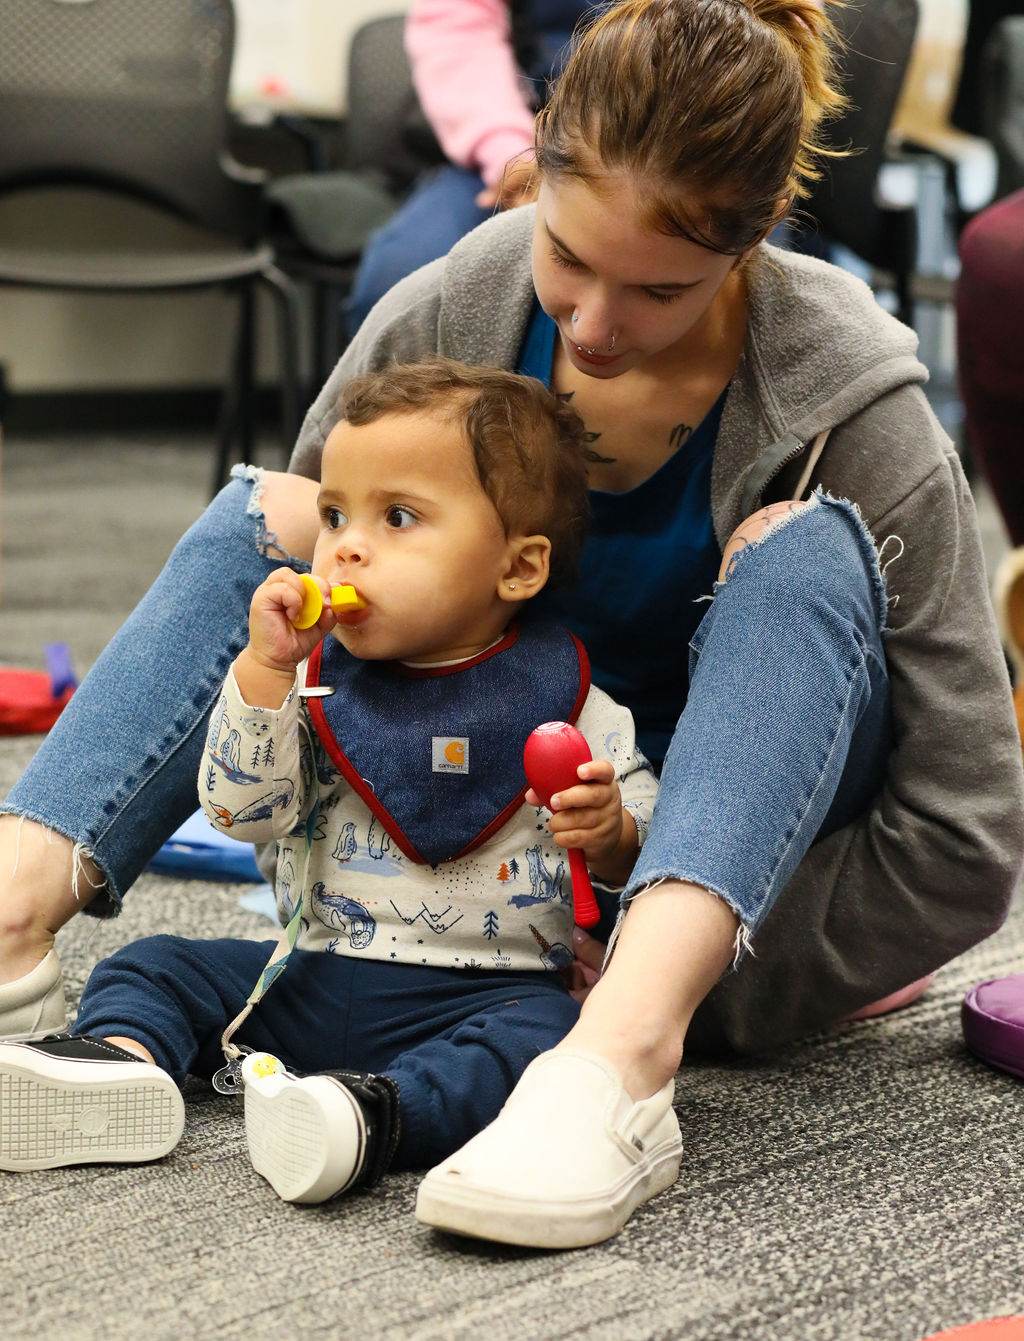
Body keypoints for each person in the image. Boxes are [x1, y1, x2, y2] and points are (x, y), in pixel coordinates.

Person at [1, 0, 1021, 1248]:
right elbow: (321, 604)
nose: (592, 329)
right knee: (283, 509)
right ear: (535, 165)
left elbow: (965, 835)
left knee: (803, 551)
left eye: (658, 290)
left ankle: (617, 1069)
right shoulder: (458, 307)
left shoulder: (849, 399)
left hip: (695, 907)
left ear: (753, 243)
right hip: (454, 902)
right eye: (568, 260)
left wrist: (705, 979)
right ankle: (16, 900)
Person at [0, 359, 658, 1201]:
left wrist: (611, 828)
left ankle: (369, 1116)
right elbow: (242, 814)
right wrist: (264, 677)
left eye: (398, 517)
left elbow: (640, 840)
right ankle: (120, 1065)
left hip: (479, 997)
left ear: (518, 568)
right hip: (306, 975)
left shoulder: (571, 702)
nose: (345, 544)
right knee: (152, 964)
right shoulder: (316, 684)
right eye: (335, 513)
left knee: (552, 1037)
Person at [346, 0, 604, 335]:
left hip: (649, 159)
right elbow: (458, 37)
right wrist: (513, 157)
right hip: (501, 159)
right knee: (399, 281)